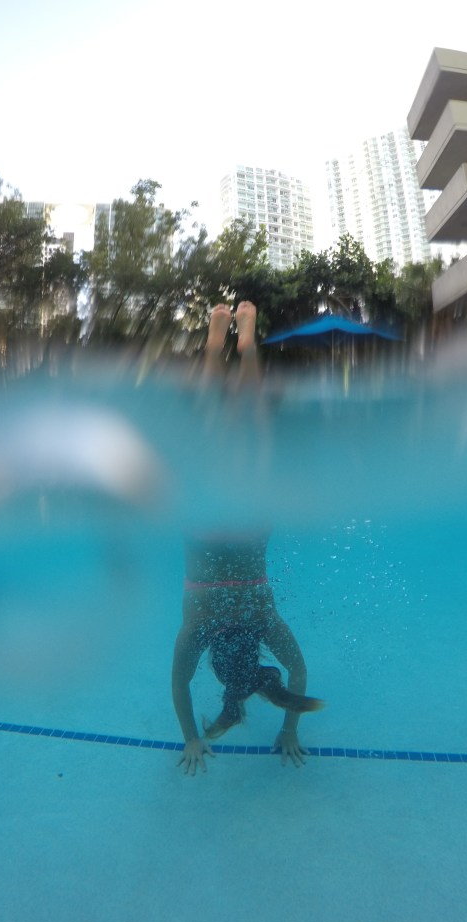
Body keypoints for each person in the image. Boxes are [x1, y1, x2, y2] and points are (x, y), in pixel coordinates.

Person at [172, 301, 323, 775]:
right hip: (202, 525)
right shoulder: (198, 627)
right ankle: (218, 343)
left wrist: (290, 729)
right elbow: (179, 685)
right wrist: (192, 738)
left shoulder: (261, 618)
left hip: (251, 523)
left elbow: (298, 673)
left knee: (251, 425)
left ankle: (244, 342)